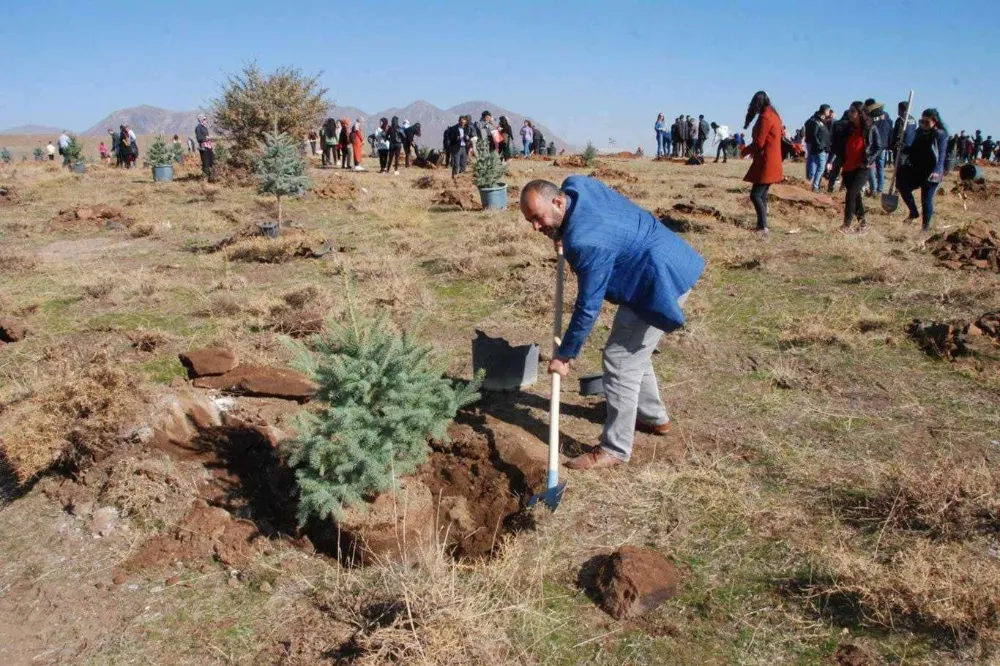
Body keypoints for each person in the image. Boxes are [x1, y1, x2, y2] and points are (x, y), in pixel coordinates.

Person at [518, 177, 704, 470]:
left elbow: (588, 306)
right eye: (530, 221)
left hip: (660, 280)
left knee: (618, 358)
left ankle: (615, 448)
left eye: (538, 218)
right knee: (632, 351)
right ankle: (654, 418)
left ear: (557, 202)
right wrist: (561, 230)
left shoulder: (586, 242)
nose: (535, 227)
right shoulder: (576, 186)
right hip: (665, 256)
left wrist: (565, 355)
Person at [897, 108, 948, 232]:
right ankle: (913, 212)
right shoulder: (919, 132)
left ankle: (925, 228)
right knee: (902, 185)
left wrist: (936, 171)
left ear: (934, 121)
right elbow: (913, 149)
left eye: (926, 122)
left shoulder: (940, 134)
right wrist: (903, 147)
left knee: (926, 199)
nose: (923, 124)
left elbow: (941, 155)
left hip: (932, 172)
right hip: (917, 169)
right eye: (921, 121)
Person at [834, 101, 882, 235]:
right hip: (848, 166)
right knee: (856, 197)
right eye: (849, 111)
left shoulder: (870, 128)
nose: (849, 114)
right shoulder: (848, 128)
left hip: (862, 167)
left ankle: (846, 225)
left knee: (851, 194)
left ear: (861, 114)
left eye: (853, 111)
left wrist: (868, 160)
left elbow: (878, 147)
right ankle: (863, 225)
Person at [741, 91, 783, 236]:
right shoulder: (774, 114)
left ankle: (763, 227)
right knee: (762, 194)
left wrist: (744, 151)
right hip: (772, 159)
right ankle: (761, 225)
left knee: (756, 195)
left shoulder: (765, 117)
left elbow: (759, 143)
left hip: (766, 161)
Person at [865, 99, 892, 195]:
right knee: (880, 168)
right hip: (883, 145)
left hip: (873, 145)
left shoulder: (870, 116)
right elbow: (890, 129)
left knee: (870, 167)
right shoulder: (886, 116)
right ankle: (880, 189)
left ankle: (874, 189)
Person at [804, 104, 833, 191]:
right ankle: (815, 185)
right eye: (828, 111)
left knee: (818, 165)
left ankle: (814, 183)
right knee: (821, 167)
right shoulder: (817, 121)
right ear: (825, 111)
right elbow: (814, 135)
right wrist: (819, 145)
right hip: (820, 148)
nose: (829, 113)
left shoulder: (823, 121)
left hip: (824, 147)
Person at [890, 100, 917, 166]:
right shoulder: (913, 119)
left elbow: (898, 135)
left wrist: (894, 146)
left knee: (900, 168)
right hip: (911, 147)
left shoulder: (900, 120)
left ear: (901, 109)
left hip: (901, 148)